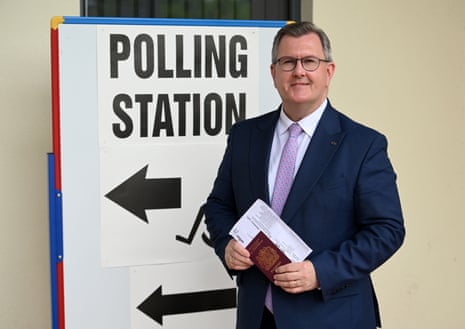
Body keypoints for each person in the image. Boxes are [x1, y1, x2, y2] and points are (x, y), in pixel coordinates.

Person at [204, 21, 405, 329]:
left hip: (331, 316)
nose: (299, 71)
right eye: (288, 62)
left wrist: (320, 272)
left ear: (329, 71)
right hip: (258, 316)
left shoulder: (363, 145)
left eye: (309, 61)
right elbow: (219, 205)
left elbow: (387, 230)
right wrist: (226, 245)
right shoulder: (244, 136)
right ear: (274, 73)